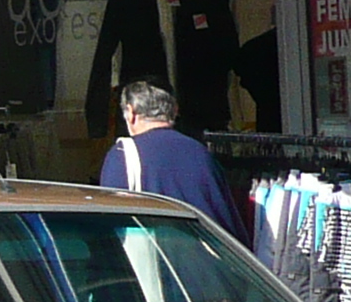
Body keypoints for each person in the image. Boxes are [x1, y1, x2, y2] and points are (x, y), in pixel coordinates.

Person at [96, 79, 247, 240]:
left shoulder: (121, 155)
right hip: (204, 259)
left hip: (158, 260)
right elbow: (228, 222)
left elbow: (109, 223)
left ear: (131, 113)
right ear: (175, 111)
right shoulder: (201, 153)